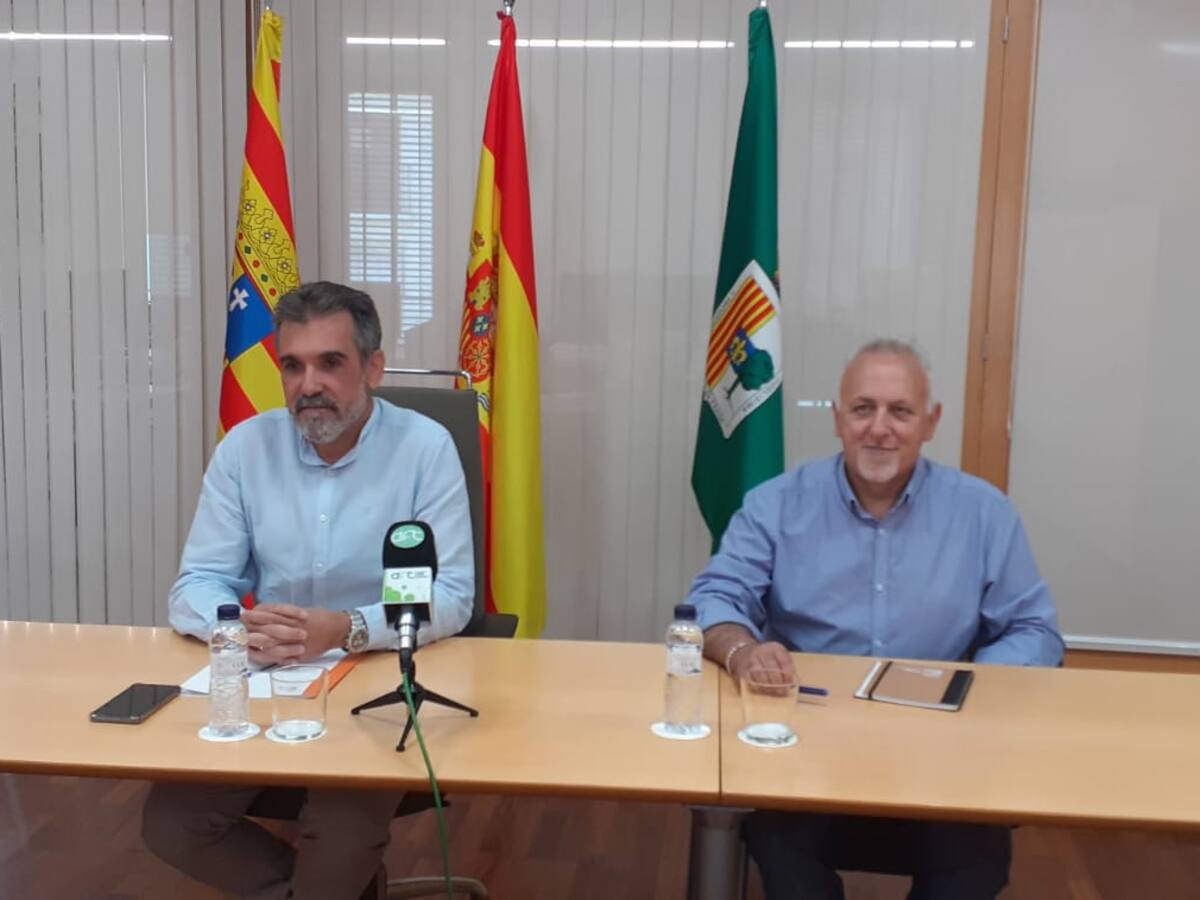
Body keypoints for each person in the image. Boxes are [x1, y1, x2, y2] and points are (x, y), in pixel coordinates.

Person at [688, 338, 1063, 900]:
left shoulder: (984, 512)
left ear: (931, 422)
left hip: (942, 750)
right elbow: (715, 597)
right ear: (838, 418)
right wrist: (743, 652)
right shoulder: (776, 504)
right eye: (863, 409)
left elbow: (1034, 630)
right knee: (782, 849)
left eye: (900, 411)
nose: (879, 428)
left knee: (978, 860)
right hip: (808, 742)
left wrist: (971, 685)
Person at [142, 281, 474, 900]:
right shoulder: (246, 449)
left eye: (330, 363)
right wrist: (237, 626)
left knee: (340, 838)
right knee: (173, 824)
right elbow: (198, 582)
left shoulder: (424, 449)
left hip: (377, 686)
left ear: (372, 368)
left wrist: (346, 628)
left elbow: (450, 594)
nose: (308, 384)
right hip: (270, 680)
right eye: (292, 366)